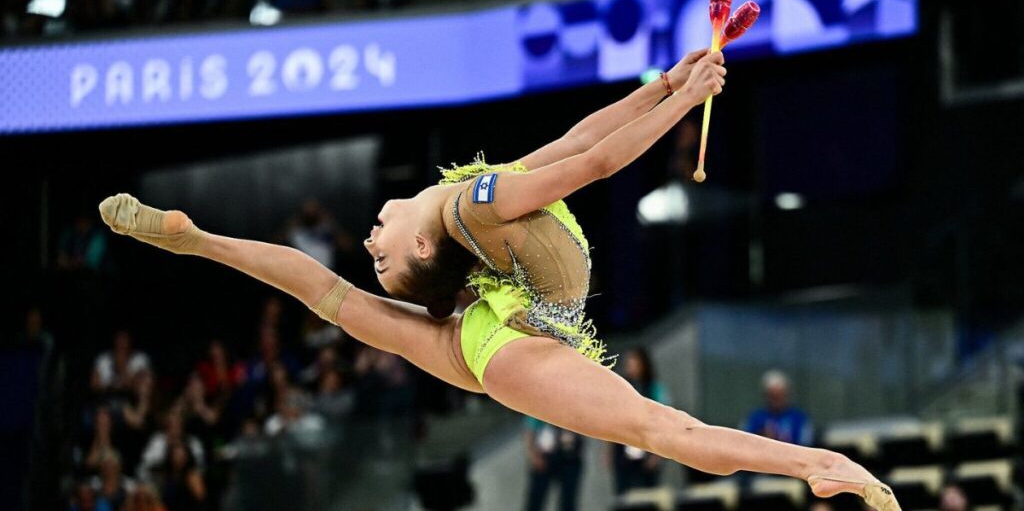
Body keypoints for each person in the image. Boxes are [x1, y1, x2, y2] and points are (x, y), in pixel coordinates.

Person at [97, 48, 899, 511]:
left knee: (665, 430)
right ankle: (814, 466)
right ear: (423, 251)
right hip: (518, 331)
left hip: (497, 334)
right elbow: (592, 164)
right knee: (664, 431)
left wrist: (660, 87)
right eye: (383, 257)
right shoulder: (466, 211)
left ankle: (813, 467)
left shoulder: (471, 221)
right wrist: (681, 104)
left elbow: (573, 141)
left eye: (374, 249)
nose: (371, 242)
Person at [608, 348, 668, 494]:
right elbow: (611, 420)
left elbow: (663, 423)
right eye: (628, 363)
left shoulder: (654, 388)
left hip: (648, 448)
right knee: (622, 494)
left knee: (648, 494)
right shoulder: (620, 388)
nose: (630, 367)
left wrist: (657, 455)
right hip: (623, 450)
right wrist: (608, 451)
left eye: (634, 363)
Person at [524, 416, 584, 511]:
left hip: (570, 456)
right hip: (545, 456)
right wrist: (533, 454)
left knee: (568, 501)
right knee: (536, 499)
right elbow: (530, 429)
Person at [744, 370, 813, 446]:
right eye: (773, 396)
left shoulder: (799, 418)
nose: (777, 400)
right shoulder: (755, 418)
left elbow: (805, 445)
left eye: (780, 395)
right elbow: (745, 444)